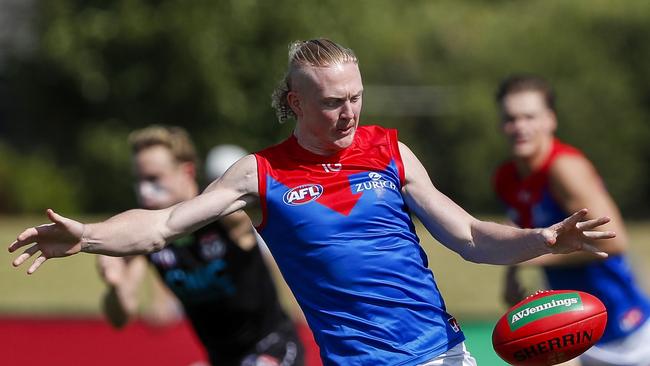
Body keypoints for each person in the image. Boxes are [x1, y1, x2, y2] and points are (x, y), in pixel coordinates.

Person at [10, 39, 615, 366]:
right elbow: (163, 223)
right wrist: (88, 235)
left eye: (355, 97)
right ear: (295, 102)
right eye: (332, 102)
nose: (349, 112)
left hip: (446, 352)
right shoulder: (261, 173)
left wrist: (543, 239)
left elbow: (467, 235)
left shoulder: (389, 152)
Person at [96, 126, 305, 366]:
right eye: (139, 179)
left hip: (273, 347)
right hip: (222, 359)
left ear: (187, 171)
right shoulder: (145, 236)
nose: (144, 189)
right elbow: (120, 318)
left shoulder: (225, 216)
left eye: (154, 178)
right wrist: (114, 284)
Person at [493, 74, 650, 365]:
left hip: (625, 327)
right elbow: (522, 235)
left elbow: (615, 240)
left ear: (550, 120)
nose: (520, 127)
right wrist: (512, 274)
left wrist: (530, 257)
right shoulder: (506, 178)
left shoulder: (564, 168)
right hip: (573, 329)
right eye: (511, 118)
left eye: (529, 116)